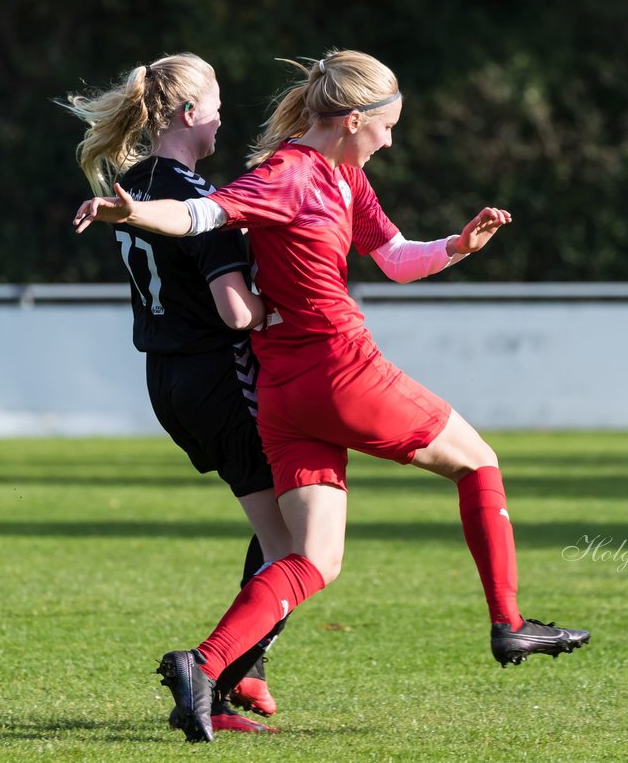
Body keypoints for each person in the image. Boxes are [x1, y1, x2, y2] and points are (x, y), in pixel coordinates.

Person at [72, 49, 590, 744]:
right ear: (352, 120)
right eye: (387, 126)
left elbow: (399, 258)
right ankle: (509, 623)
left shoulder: (343, 177)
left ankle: (204, 666)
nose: (391, 138)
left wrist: (458, 246)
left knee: (313, 557)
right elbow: (201, 217)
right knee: (479, 462)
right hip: (341, 370)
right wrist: (137, 213)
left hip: (285, 392)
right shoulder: (286, 176)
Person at [61, 52, 293, 734]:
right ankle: (220, 675)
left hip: (169, 380)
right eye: (217, 102)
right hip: (217, 376)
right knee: (300, 542)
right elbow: (235, 312)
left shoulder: (138, 184)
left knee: (283, 524)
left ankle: (242, 668)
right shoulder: (195, 198)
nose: (224, 115)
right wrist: (281, 306)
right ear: (190, 114)